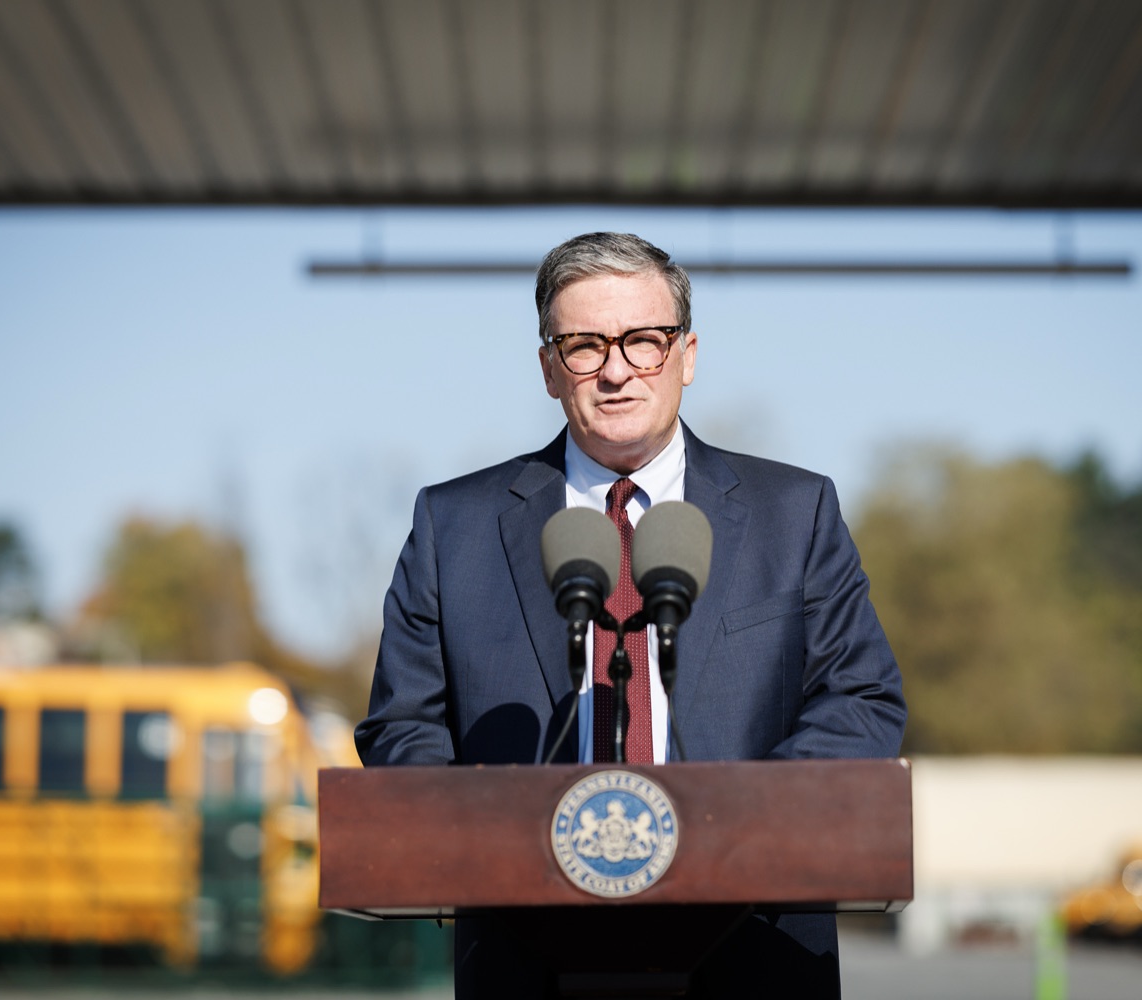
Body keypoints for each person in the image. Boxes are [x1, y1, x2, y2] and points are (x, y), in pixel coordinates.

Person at [355, 232, 905, 998]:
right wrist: (498, 835)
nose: (616, 371)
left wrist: (728, 829)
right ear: (549, 368)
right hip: (526, 957)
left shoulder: (796, 513)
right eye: (584, 346)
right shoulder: (454, 527)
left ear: (687, 355)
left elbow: (861, 702)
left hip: (757, 950)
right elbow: (401, 728)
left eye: (644, 341)